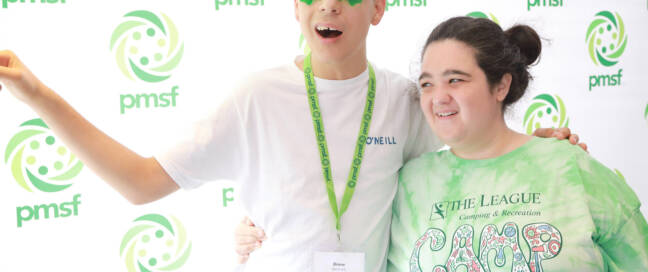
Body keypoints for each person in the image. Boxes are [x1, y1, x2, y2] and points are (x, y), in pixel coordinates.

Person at [0, 1, 583, 271]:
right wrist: (38, 96)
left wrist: (536, 148)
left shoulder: (408, 99)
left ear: (378, 8)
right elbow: (140, 183)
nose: (329, 6)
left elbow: (471, 152)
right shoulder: (255, 96)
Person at [386, 17, 648, 271]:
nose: (439, 97)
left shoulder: (570, 167)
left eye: (455, 80)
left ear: (501, 86)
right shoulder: (410, 184)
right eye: (427, 84)